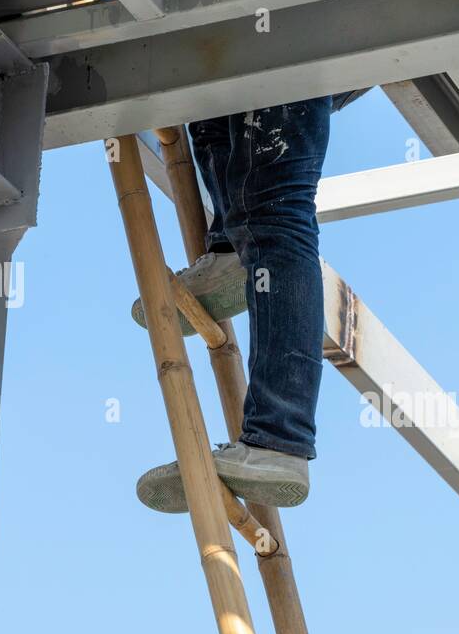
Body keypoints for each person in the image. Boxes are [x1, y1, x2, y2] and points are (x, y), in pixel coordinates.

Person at [132, 90, 368, 512]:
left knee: (276, 208)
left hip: (294, 30)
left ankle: (279, 438)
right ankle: (232, 251)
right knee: (212, 106)